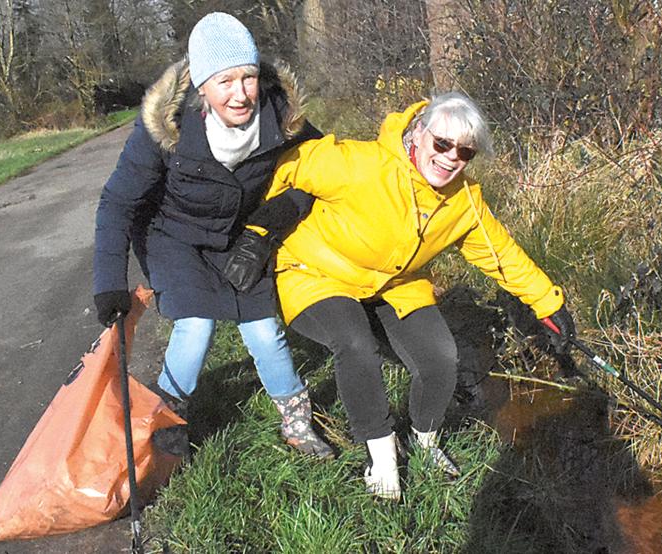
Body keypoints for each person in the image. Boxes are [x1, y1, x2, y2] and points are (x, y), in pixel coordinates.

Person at [234, 92, 576, 499]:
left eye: (464, 151)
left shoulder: (464, 202)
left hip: (396, 283)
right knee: (356, 344)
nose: (451, 158)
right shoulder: (359, 164)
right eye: (442, 143)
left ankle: (425, 441)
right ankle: (381, 456)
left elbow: (503, 256)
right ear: (418, 133)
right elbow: (292, 166)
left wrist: (549, 304)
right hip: (318, 271)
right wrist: (261, 229)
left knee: (440, 357)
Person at [92, 12, 332, 458]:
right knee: (196, 324)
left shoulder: (285, 119)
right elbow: (117, 203)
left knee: (263, 329)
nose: (240, 93)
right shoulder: (165, 128)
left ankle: (297, 423)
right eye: (225, 81)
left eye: (249, 78)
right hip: (173, 236)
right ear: (201, 86)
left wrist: (274, 220)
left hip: (241, 236)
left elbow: (325, 173)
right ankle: (165, 425)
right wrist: (108, 282)